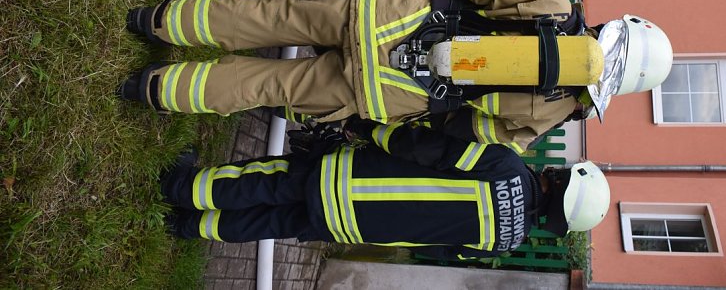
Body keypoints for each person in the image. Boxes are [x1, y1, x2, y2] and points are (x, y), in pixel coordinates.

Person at [118, 0, 673, 151]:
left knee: (273, 18)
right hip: (389, 91)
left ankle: (160, 21)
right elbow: (476, 132)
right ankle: (155, 88)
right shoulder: (554, 114)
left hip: (388, 18)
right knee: (269, 87)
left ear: (612, 28)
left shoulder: (553, 2)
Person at [160, 119, 611, 253]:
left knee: (261, 183)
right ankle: (188, 228)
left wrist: (369, 128)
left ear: (560, 180)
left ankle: (182, 188)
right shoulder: (505, 242)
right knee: (269, 222)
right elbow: (436, 249)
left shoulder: (506, 167)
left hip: (350, 180)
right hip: (353, 227)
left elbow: (426, 149)